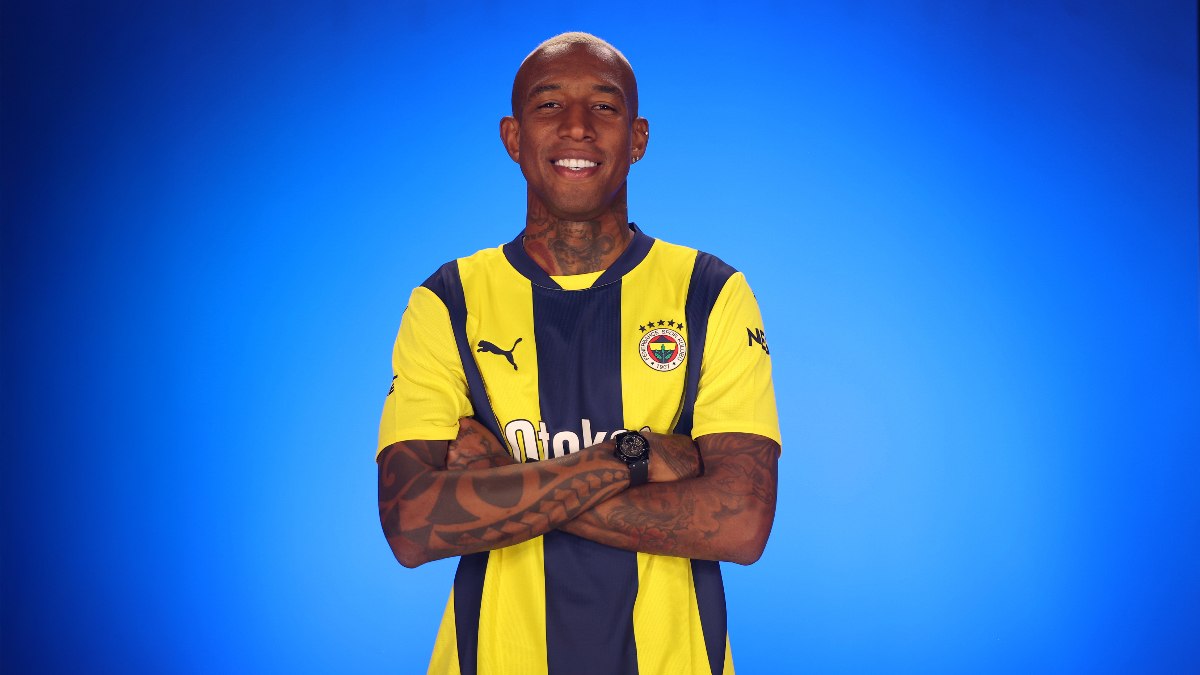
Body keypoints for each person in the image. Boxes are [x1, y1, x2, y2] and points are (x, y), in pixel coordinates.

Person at [377, 32, 781, 675]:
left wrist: (503, 480)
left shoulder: (710, 293)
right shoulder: (448, 301)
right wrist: (634, 456)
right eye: (549, 105)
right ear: (513, 137)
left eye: (603, 106)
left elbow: (741, 524)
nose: (576, 127)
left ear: (638, 138)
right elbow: (411, 525)